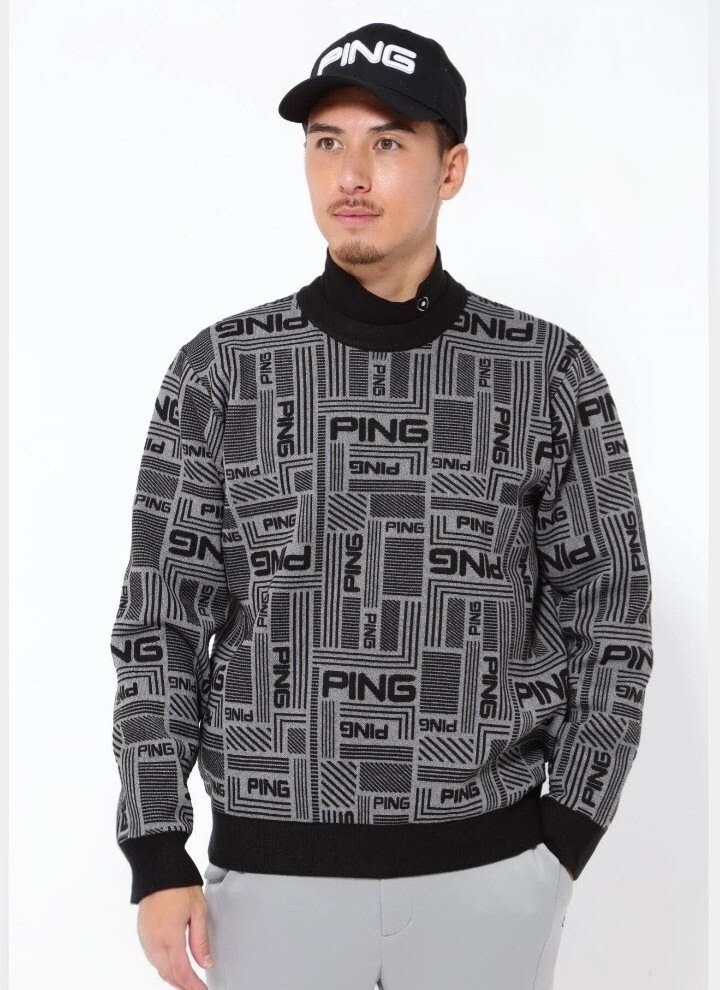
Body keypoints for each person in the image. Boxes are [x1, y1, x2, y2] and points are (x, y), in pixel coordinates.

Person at [110, 21, 654, 990]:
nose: (351, 175)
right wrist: (156, 850)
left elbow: (612, 613)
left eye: (388, 142)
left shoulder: (543, 372)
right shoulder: (222, 373)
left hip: (490, 875)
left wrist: (566, 833)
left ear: (452, 168)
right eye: (327, 142)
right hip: (270, 883)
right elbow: (160, 624)